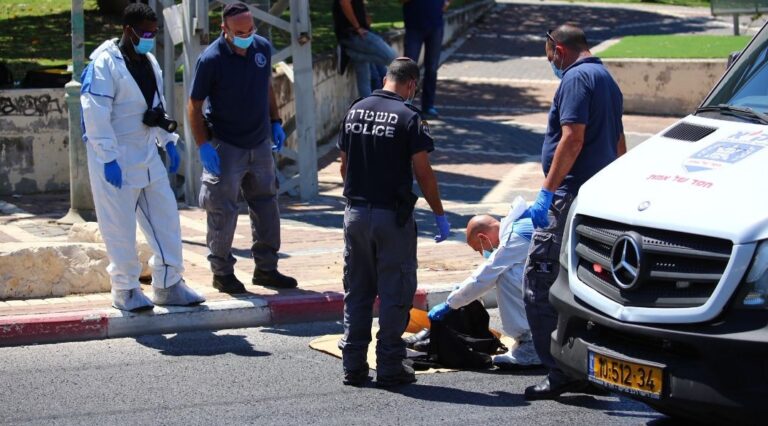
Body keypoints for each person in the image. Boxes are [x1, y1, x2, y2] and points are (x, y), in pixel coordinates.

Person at [522, 24, 626, 400]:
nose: (550, 62)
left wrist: (546, 193)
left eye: (549, 55)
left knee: (538, 283)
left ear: (560, 50)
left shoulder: (576, 79)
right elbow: (619, 141)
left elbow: (572, 137)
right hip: (595, 198)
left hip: (569, 197)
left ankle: (561, 372)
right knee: (582, 285)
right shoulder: (606, 80)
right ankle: (582, 366)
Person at [80, 3, 205, 311]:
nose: (150, 37)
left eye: (154, 32)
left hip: (148, 153)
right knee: (119, 227)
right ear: (128, 30)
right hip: (115, 158)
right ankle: (125, 289)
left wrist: (168, 140)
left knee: (166, 220)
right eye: (145, 32)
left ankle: (169, 284)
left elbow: (156, 107)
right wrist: (107, 157)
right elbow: (95, 115)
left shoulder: (149, 60)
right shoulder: (103, 64)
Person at [338, 57, 451, 387]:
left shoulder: (355, 110)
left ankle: (354, 365)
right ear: (412, 85)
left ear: (386, 78)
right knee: (394, 291)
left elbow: (343, 166)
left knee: (357, 291)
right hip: (392, 218)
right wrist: (439, 213)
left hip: (355, 215)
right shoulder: (409, 118)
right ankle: (389, 365)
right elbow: (423, 171)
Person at [187, 2, 296, 294]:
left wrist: (275, 120)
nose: (247, 36)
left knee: (267, 205)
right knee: (222, 210)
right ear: (225, 29)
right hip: (226, 144)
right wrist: (203, 146)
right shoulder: (211, 59)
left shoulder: (261, 48)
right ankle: (222, 273)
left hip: (259, 142)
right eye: (240, 32)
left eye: (251, 29)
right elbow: (194, 105)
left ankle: (267, 269)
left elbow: (267, 86)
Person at [428, 197, 541, 368]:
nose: (483, 253)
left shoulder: (514, 237)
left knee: (506, 275)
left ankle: (530, 345)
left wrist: (451, 303)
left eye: (478, 249)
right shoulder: (521, 220)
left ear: (482, 237)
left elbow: (487, 274)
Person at [333, 0, 398, 98]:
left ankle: (368, 111)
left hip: (357, 33)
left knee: (364, 79)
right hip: (353, 34)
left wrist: (365, 16)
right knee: (391, 57)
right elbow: (344, 2)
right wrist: (357, 27)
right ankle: (350, 53)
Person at [401, 0, 450, 118]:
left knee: (432, 68)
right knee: (409, 68)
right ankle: (405, 105)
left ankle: (428, 106)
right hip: (414, 25)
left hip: (435, 25)